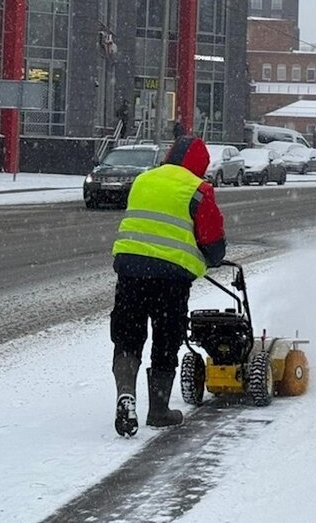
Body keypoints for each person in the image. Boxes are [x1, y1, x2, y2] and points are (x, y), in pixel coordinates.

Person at [110, 134, 226, 437]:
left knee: (128, 334)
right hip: (170, 278)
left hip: (130, 270)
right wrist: (213, 257)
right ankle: (159, 410)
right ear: (200, 164)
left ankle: (126, 394)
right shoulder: (198, 189)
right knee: (166, 337)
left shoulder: (144, 179)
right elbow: (212, 241)